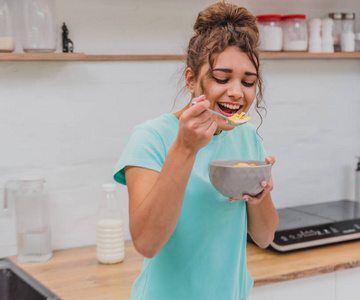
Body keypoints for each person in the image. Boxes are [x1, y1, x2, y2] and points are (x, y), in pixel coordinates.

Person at [113, 2, 279, 299]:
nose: (237, 92)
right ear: (191, 80)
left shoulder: (247, 136)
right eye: (221, 78)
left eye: (248, 81)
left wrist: (260, 196)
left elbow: (265, 237)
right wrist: (186, 148)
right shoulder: (151, 138)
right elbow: (147, 242)